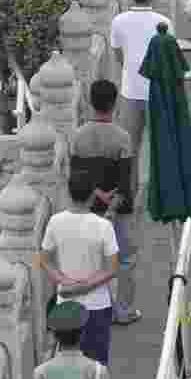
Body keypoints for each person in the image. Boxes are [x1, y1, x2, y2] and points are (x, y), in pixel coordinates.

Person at [69, 79, 140, 327]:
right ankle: (123, 310)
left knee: (92, 259)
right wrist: (111, 199)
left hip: (89, 207)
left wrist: (97, 193)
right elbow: (125, 178)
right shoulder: (122, 137)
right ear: (114, 103)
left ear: (90, 101)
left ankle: (95, 310)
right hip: (119, 208)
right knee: (125, 260)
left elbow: (76, 174)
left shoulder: (78, 137)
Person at [37, 171, 119, 366]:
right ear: (93, 194)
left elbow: (44, 260)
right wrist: (87, 287)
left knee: (68, 366)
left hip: (65, 303)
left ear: (68, 192)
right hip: (97, 304)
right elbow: (112, 268)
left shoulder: (55, 222)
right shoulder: (104, 226)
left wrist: (63, 280)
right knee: (97, 367)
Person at [110, 0, 171, 204]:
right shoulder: (164, 23)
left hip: (130, 92)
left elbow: (118, 55)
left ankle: (128, 196)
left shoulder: (118, 22)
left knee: (130, 148)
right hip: (158, 92)